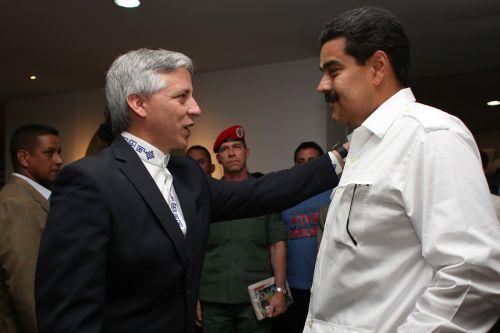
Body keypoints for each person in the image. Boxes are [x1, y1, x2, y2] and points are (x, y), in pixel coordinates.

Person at [35, 48, 343, 333]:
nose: (196, 109)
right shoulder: (90, 181)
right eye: (182, 97)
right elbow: (68, 312)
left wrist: (338, 159)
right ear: (139, 104)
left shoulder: (185, 174)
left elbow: (259, 193)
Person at [306, 7, 500, 332]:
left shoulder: (430, 135)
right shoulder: (364, 147)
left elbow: (473, 275)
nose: (322, 85)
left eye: (333, 70)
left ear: (378, 68)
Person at [198, 125, 287, 333]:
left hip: (257, 296)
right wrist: (194, 296)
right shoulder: (207, 197)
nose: (231, 153)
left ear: (246, 152)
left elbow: (277, 245)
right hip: (214, 296)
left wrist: (280, 290)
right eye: (225, 149)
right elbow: (196, 249)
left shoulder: (264, 194)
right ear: (218, 159)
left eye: (237, 146)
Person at [0, 125, 62, 333]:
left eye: (58, 152)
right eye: (49, 152)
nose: (58, 160)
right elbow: (25, 289)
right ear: (24, 158)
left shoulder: (35, 198)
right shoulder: (15, 203)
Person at [272, 142, 332, 333]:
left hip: (324, 285)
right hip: (292, 287)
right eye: (300, 161)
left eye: (311, 161)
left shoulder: (334, 194)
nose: (305, 165)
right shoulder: (285, 197)